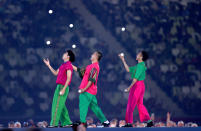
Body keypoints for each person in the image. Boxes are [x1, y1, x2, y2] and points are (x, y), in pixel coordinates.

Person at [72, 51, 110, 127]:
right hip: (91, 91)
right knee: (95, 107)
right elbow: (80, 71)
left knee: (83, 106)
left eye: (93, 54)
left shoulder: (95, 67)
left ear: (96, 56)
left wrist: (84, 89)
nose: (91, 55)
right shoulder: (90, 66)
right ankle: (105, 121)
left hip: (87, 91)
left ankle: (82, 122)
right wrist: (70, 65)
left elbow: (91, 80)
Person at [119, 51, 153, 127]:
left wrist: (129, 88)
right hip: (140, 86)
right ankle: (149, 121)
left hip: (137, 86)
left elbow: (135, 79)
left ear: (141, 57)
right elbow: (128, 70)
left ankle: (129, 123)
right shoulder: (139, 65)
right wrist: (123, 60)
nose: (137, 55)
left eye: (138, 54)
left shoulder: (140, 66)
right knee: (140, 104)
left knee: (131, 104)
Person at [43, 50, 75, 127]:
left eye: (65, 53)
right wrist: (49, 65)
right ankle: (67, 122)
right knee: (61, 105)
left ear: (68, 56)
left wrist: (63, 89)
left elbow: (69, 78)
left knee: (56, 105)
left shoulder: (68, 65)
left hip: (62, 87)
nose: (63, 54)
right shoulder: (63, 65)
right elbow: (55, 73)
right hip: (59, 87)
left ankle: (54, 124)